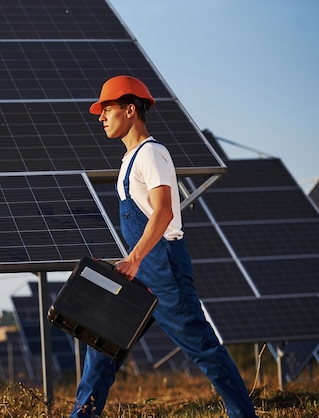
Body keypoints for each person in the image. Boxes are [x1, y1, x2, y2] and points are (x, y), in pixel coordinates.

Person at [70, 75, 258, 417]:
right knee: (103, 343)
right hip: (142, 268)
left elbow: (165, 211)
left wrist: (136, 258)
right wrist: (130, 260)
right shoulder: (128, 161)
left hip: (163, 269)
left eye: (107, 108)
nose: (101, 116)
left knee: (203, 348)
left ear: (130, 110)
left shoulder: (152, 154)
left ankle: (244, 415)